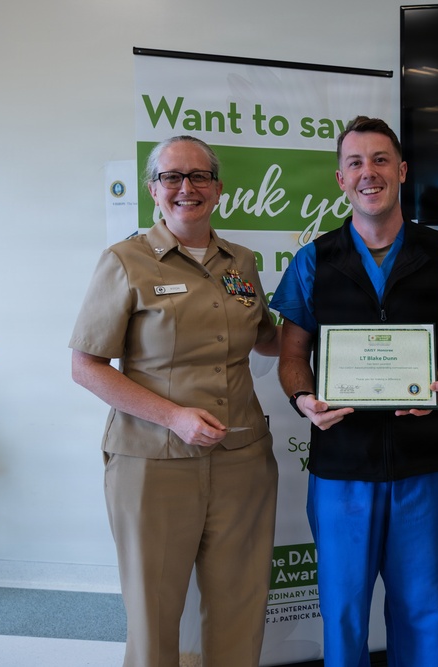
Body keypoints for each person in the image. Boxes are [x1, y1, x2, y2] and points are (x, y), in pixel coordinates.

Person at [270, 116, 438, 667]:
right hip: (341, 465)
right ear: (341, 178)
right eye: (357, 163)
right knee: (342, 609)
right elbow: (292, 356)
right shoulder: (314, 259)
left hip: (421, 460)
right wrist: (303, 401)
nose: (370, 172)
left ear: (402, 171)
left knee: (421, 607)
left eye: (381, 160)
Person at [69, 135, 280, 667]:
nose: (187, 188)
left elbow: (270, 339)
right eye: (172, 178)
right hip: (152, 465)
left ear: (219, 188)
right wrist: (175, 417)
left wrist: (336, 328)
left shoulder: (243, 262)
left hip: (242, 460)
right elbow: (86, 367)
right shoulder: (125, 261)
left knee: (241, 606)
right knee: (154, 613)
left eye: (199, 176)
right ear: (153, 190)